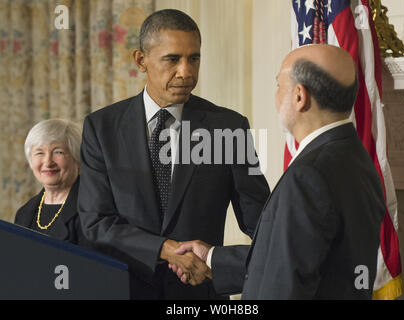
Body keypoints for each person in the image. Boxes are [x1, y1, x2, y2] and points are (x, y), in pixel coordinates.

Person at [77, 9, 270, 299]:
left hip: (199, 295)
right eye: (173, 59)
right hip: (123, 290)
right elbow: (95, 223)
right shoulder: (101, 128)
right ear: (141, 60)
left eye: (194, 58)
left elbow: (262, 221)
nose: (186, 71)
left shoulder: (230, 127)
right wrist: (167, 250)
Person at [171, 44, 386, 299]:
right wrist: (213, 259)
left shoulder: (308, 176)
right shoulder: (355, 156)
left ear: (299, 96)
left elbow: (284, 284)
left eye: (278, 85)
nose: (275, 95)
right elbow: (301, 259)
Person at [15, 119, 90, 247]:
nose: (48, 162)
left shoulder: (93, 209)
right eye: (39, 153)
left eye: (58, 152)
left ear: (76, 158)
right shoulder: (24, 213)